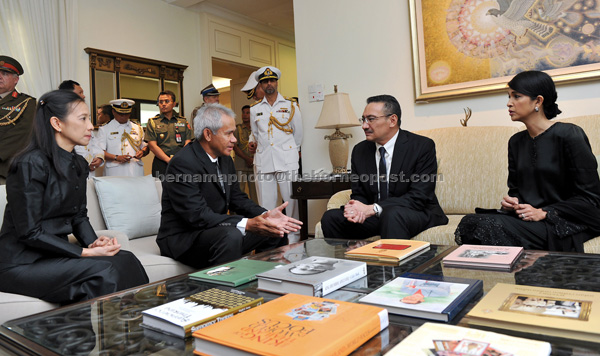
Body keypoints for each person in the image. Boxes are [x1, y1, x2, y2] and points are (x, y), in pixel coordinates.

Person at [0, 90, 148, 304]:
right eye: (83, 119)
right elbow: (30, 232)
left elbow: (78, 216)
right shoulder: (30, 164)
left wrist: (94, 243)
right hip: (21, 263)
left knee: (126, 259)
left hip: (54, 257)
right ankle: (115, 334)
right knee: (105, 269)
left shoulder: (78, 164)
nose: (90, 126)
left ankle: (144, 327)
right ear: (57, 123)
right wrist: (84, 253)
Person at [455, 70, 600, 252]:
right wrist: (512, 203)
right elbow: (516, 190)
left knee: (487, 225)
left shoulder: (569, 134)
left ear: (538, 101)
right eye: (508, 97)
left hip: (568, 219)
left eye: (516, 96)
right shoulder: (516, 142)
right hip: (529, 219)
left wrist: (545, 212)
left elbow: (590, 199)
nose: (509, 103)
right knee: (471, 222)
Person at [156, 104, 302, 269]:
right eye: (229, 133)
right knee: (230, 235)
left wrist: (266, 215)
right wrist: (247, 223)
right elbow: (197, 215)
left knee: (274, 229)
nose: (235, 139)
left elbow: (237, 198)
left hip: (213, 230)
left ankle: (267, 280)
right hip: (184, 238)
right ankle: (226, 292)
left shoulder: (224, 159)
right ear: (208, 134)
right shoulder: (183, 163)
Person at [321, 94, 448, 239]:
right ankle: (352, 262)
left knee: (391, 214)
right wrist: (357, 209)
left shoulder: (421, 146)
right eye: (363, 119)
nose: (364, 125)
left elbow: (418, 197)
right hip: (376, 216)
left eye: (371, 119)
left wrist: (373, 209)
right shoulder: (360, 151)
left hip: (415, 212)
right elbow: (359, 193)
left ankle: (389, 262)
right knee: (331, 218)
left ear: (392, 120)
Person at [249, 66, 303, 243]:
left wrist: (290, 152)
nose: (269, 83)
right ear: (261, 85)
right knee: (265, 205)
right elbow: (256, 134)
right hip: (264, 161)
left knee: (291, 202)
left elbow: (298, 134)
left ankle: (294, 239)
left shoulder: (290, 105)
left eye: (272, 80)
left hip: (286, 160)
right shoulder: (254, 108)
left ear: (277, 82)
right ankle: (269, 241)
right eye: (265, 81)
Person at [0, 55, 36, 184]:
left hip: (4, 169)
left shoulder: (27, 103)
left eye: (5, 73)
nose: (0, 76)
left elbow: (22, 133)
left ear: (16, 80)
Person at [60, 80, 105, 176]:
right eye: (80, 92)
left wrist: (99, 157)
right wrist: (82, 164)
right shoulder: (60, 116)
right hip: (71, 171)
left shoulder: (83, 114)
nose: (83, 96)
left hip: (90, 174)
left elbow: (93, 142)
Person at [96, 99, 149, 176]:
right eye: (120, 113)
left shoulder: (137, 128)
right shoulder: (105, 129)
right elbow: (100, 151)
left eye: (126, 113)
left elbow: (145, 147)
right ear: (113, 112)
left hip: (135, 170)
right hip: (114, 171)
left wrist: (142, 152)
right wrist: (116, 157)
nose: (123, 116)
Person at [145, 90, 192, 177]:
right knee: (161, 189)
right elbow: (152, 145)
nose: (163, 104)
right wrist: (168, 160)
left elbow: (188, 141)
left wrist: (180, 158)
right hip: (161, 162)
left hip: (181, 161)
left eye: (167, 101)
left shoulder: (183, 121)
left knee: (182, 188)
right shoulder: (153, 122)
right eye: (160, 102)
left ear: (174, 104)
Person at [233, 105, 258, 203]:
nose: (245, 115)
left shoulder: (257, 129)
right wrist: (248, 159)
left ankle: (256, 214)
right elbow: (235, 147)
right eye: (243, 113)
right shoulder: (236, 129)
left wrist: (253, 160)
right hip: (240, 166)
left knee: (255, 193)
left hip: (254, 165)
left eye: (248, 113)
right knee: (239, 192)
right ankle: (237, 215)